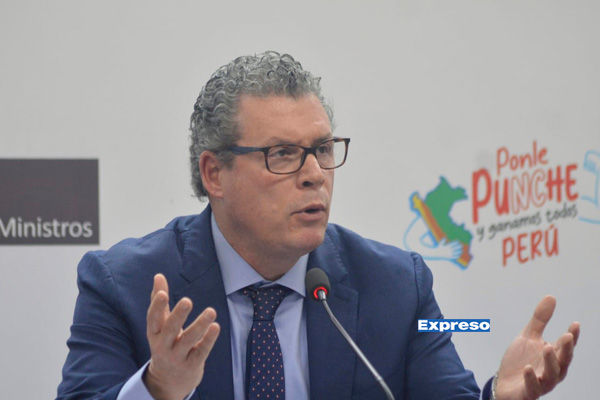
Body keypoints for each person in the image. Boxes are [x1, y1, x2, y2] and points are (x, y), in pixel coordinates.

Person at [57, 51, 580, 400]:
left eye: (323, 150)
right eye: (283, 154)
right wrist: (157, 389)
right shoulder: (124, 284)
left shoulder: (398, 286)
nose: (315, 175)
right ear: (214, 174)